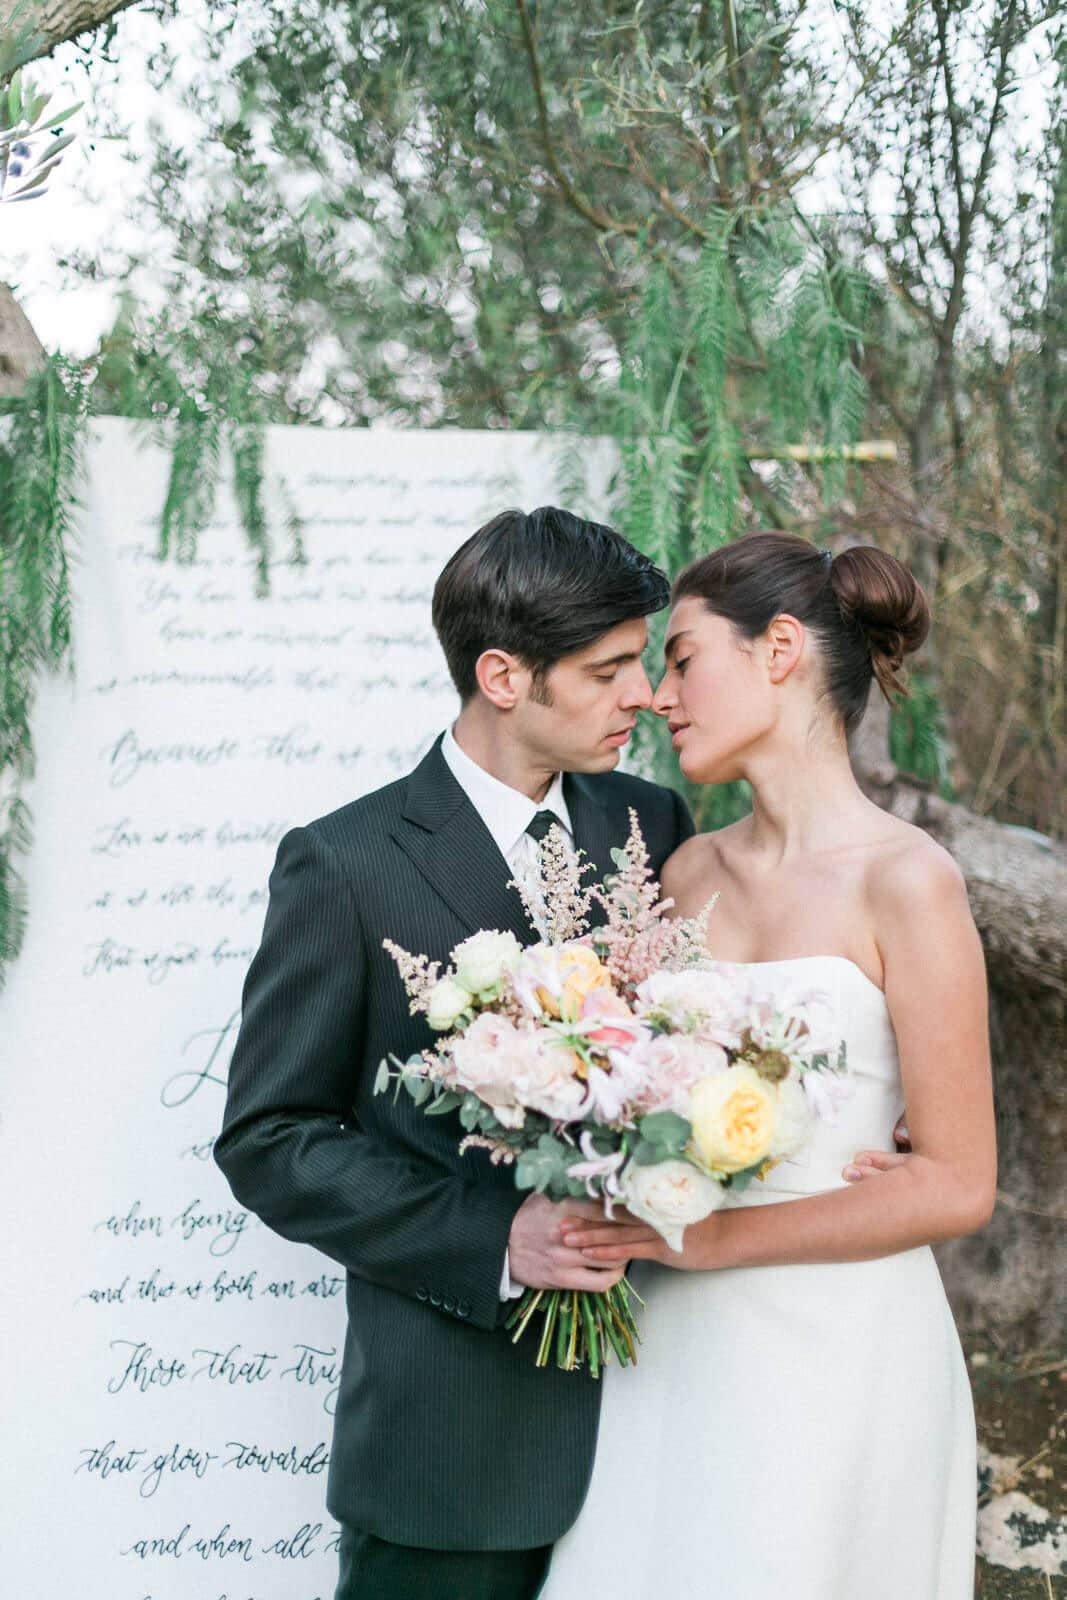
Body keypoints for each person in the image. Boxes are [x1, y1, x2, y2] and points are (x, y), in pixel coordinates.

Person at [213, 506, 696, 1600]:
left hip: (666, 1430)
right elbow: (269, 1137)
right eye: (608, 669)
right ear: (503, 676)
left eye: (642, 662)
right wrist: (496, 1238)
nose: (643, 695)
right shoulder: (343, 862)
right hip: (450, 1448)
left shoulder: (654, 824)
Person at [544, 532, 995, 1600]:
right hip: (667, 1344)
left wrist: (710, 1241)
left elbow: (956, 1183)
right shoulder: (683, 871)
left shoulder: (909, 881)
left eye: (682, 658)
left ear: (779, 649)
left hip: (838, 1351)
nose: (657, 697)